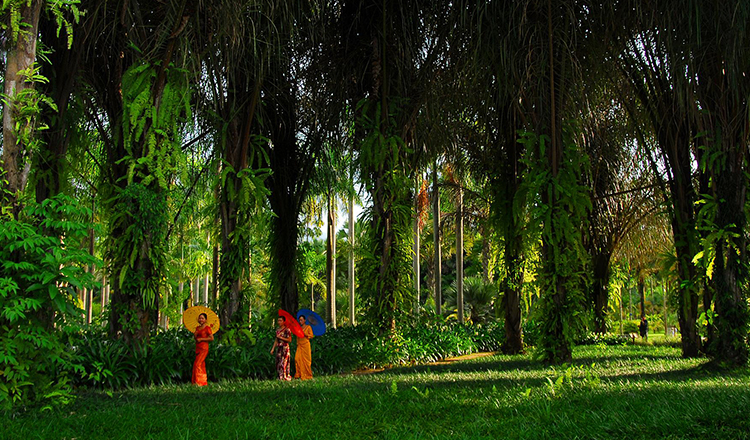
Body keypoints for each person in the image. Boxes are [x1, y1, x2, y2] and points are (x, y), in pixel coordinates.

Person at [192, 313, 214, 386]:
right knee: (200, 364)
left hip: (204, 348)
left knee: (198, 364)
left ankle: (199, 382)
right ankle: (202, 381)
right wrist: (195, 335)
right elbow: (195, 338)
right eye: (200, 318)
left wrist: (202, 339)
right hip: (198, 347)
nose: (201, 320)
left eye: (202, 318)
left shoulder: (207, 328)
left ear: (205, 320)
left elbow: (211, 338)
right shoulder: (197, 328)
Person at [270, 316, 292, 381]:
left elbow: (289, 339)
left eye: (280, 321)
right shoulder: (277, 330)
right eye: (278, 321)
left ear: (283, 321)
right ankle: (280, 376)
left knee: (284, 362)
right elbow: (276, 340)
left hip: (285, 348)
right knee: (278, 362)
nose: (279, 322)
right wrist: (273, 348)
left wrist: (281, 337)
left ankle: (285, 376)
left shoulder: (287, 330)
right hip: (279, 348)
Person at [294, 315, 315, 380]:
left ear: (304, 320)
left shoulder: (308, 327)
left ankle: (307, 375)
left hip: (306, 345)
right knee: (297, 359)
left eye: (301, 320)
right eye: (299, 320)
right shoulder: (298, 328)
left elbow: (311, 336)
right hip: (300, 345)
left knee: (306, 361)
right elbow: (297, 337)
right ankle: (299, 374)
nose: (300, 321)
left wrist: (305, 334)